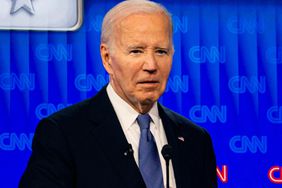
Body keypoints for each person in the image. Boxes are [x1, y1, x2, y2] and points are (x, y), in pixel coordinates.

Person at [19, 0, 217, 187]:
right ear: (107, 58)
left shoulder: (195, 140)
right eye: (136, 51)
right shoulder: (63, 134)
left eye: (161, 51)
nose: (151, 65)